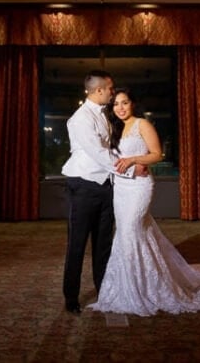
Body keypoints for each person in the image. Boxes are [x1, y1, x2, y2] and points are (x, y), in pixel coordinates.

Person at [88, 88, 200, 316]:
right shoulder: (112, 128)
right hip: (121, 188)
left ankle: (145, 288)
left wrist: (134, 159)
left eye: (125, 103)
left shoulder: (142, 124)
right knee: (129, 233)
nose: (121, 108)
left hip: (140, 187)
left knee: (132, 230)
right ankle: (128, 285)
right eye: (116, 104)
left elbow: (157, 154)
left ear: (132, 104)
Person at [61, 70, 145, 314]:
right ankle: (71, 298)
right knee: (77, 245)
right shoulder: (80, 119)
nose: (112, 91)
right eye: (110, 88)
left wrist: (129, 163)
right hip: (83, 187)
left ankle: (103, 291)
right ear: (98, 90)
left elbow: (112, 150)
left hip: (107, 186)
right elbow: (98, 153)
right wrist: (130, 169)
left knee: (103, 244)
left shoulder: (104, 115)